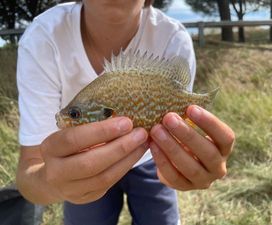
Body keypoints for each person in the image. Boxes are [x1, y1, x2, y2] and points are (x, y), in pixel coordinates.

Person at [16, 0, 235, 225]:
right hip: (82, 164)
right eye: (75, 115)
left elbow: (177, 126)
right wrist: (53, 182)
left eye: (74, 115)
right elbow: (30, 170)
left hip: (154, 155)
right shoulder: (43, 38)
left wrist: (186, 164)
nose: (71, 118)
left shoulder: (173, 38)